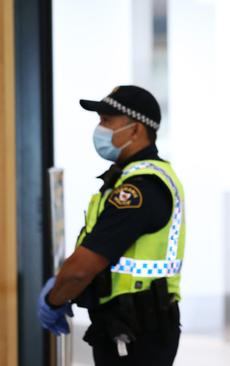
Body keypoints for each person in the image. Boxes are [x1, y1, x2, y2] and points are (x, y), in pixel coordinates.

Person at [37, 85, 186, 366]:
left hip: (137, 332)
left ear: (135, 130)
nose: (100, 129)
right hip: (129, 327)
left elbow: (84, 266)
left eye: (107, 121)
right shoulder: (131, 179)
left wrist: (55, 298)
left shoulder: (140, 189)